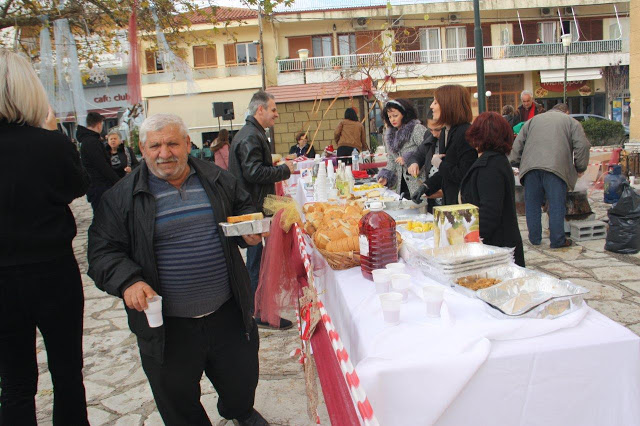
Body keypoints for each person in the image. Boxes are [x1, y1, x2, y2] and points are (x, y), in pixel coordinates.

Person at [88, 113, 269, 426]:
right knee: (177, 399)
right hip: (167, 325)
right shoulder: (120, 198)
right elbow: (102, 251)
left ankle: (239, 411)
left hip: (226, 310)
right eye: (155, 145)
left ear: (188, 144)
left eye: (172, 143)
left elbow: (242, 206)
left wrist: (248, 226)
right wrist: (128, 281)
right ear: (142, 150)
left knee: (241, 380)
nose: (164, 152)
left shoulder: (217, 178)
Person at [0, 48, 90, 425]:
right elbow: (78, 185)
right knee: (66, 372)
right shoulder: (49, 144)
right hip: (53, 271)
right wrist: (55, 138)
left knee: (16, 382)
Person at [228, 91, 294, 330]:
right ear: (260, 110)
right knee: (257, 262)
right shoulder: (250, 137)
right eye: (273, 110)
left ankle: (259, 309)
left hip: (254, 205)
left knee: (258, 260)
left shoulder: (253, 134)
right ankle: (258, 312)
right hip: (252, 209)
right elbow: (253, 172)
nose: (276, 114)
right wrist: (284, 170)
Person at [509, 103, 591, 248]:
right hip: (556, 168)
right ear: (566, 111)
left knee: (532, 204)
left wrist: (516, 162)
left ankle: (534, 239)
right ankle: (557, 240)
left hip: (531, 168)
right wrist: (580, 167)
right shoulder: (571, 122)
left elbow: (518, 143)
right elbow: (582, 145)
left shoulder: (532, 121)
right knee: (556, 204)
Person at [460, 112, 525, 267]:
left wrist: (470, 241)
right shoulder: (495, 160)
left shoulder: (490, 166)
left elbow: (489, 213)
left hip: (496, 250)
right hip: (500, 245)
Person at [411, 84, 478, 205]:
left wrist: (440, 164)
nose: (431, 106)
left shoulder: (465, 133)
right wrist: (426, 186)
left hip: (462, 206)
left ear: (448, 105)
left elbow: (464, 174)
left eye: (436, 102)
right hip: (450, 203)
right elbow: (446, 173)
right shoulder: (446, 132)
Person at [376, 99, 427, 198]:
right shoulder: (391, 134)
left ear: (404, 114)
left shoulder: (417, 129)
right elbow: (392, 159)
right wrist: (386, 176)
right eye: (389, 117)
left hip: (419, 182)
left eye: (395, 116)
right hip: (402, 185)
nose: (392, 120)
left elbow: (427, 150)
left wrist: (409, 159)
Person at [79, 111, 120, 211]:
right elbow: (102, 166)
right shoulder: (91, 142)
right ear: (98, 124)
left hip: (99, 186)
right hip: (99, 188)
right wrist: (118, 181)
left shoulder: (90, 140)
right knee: (103, 217)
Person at [406, 110, 444, 212]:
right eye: (431, 130)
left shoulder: (452, 138)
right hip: (433, 199)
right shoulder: (429, 136)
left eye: (438, 130)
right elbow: (417, 154)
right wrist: (414, 163)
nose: (435, 134)